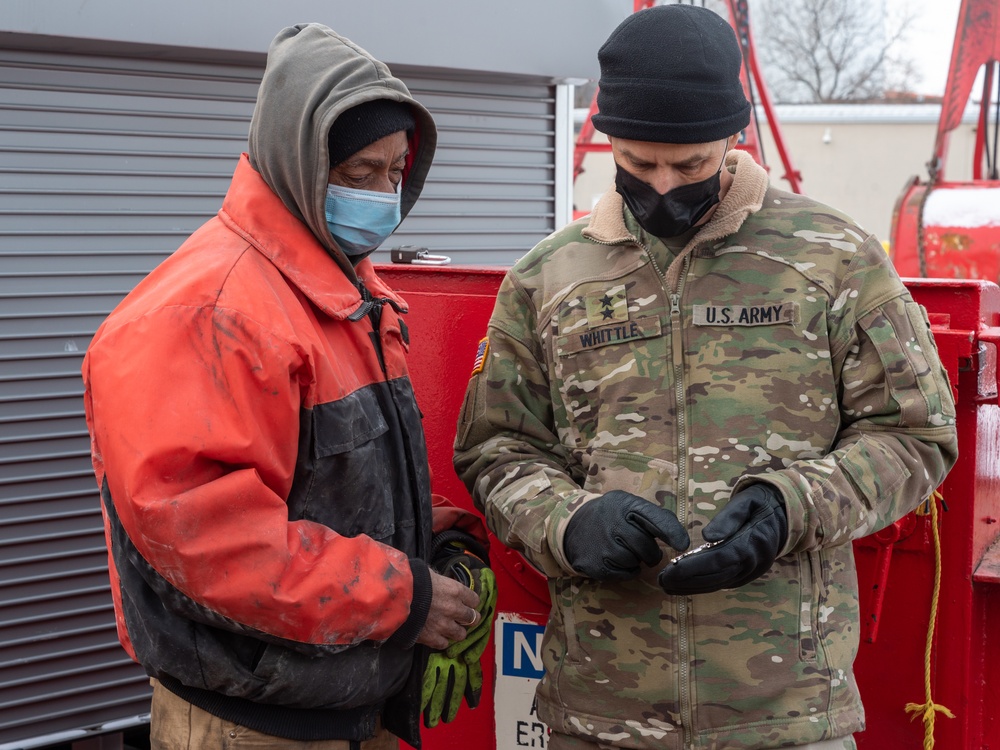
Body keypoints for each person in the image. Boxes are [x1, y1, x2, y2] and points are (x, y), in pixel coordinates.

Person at [453, 5, 958, 750]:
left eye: (689, 166)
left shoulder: (831, 258)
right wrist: (566, 520)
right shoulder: (546, 279)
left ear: (735, 136)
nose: (663, 186)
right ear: (606, 139)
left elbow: (916, 435)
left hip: (786, 713)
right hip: (601, 713)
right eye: (637, 164)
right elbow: (496, 449)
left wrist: (792, 506)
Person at [83, 23, 495, 750]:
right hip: (254, 723)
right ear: (298, 161)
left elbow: (319, 482)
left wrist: (428, 535)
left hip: (347, 701)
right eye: (360, 172)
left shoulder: (341, 286)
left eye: (396, 171)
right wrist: (405, 595)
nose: (382, 195)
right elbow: (209, 541)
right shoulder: (213, 313)